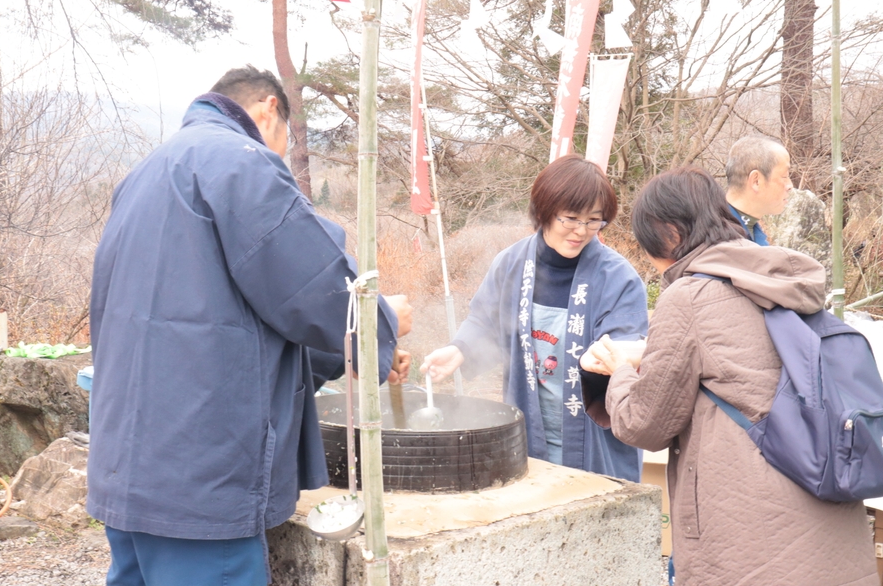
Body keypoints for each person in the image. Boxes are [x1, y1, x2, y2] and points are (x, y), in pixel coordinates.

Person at [87, 66, 412, 586]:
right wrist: (381, 325)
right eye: (286, 139)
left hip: (130, 467)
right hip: (202, 476)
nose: (280, 153)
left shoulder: (148, 171)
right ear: (268, 108)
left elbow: (223, 320)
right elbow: (311, 284)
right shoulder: (240, 161)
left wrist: (352, 353)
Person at [590, 166, 876, 585]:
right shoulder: (780, 278)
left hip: (753, 545)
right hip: (833, 531)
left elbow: (644, 424)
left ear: (668, 233)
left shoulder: (689, 296)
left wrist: (619, 372)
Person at [420, 155, 648, 481]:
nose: (581, 231)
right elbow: (486, 322)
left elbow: (624, 352)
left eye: (593, 221)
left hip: (593, 441)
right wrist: (459, 350)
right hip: (528, 435)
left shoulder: (618, 278)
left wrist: (606, 358)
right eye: (570, 219)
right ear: (543, 211)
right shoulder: (511, 264)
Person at [723, 135, 794, 245]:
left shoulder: (751, 229)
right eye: (784, 176)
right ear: (756, 181)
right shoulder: (718, 237)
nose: (790, 186)